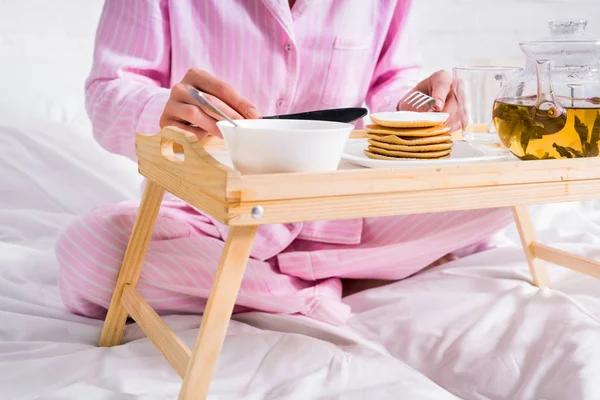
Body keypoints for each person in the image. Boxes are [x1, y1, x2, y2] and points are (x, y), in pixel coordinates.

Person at [55, 0, 512, 325]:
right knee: (91, 253)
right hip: (209, 216)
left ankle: (262, 283)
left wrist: (419, 102)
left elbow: (391, 79)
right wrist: (166, 111)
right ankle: (329, 286)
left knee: (502, 198)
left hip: (341, 209)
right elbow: (109, 91)